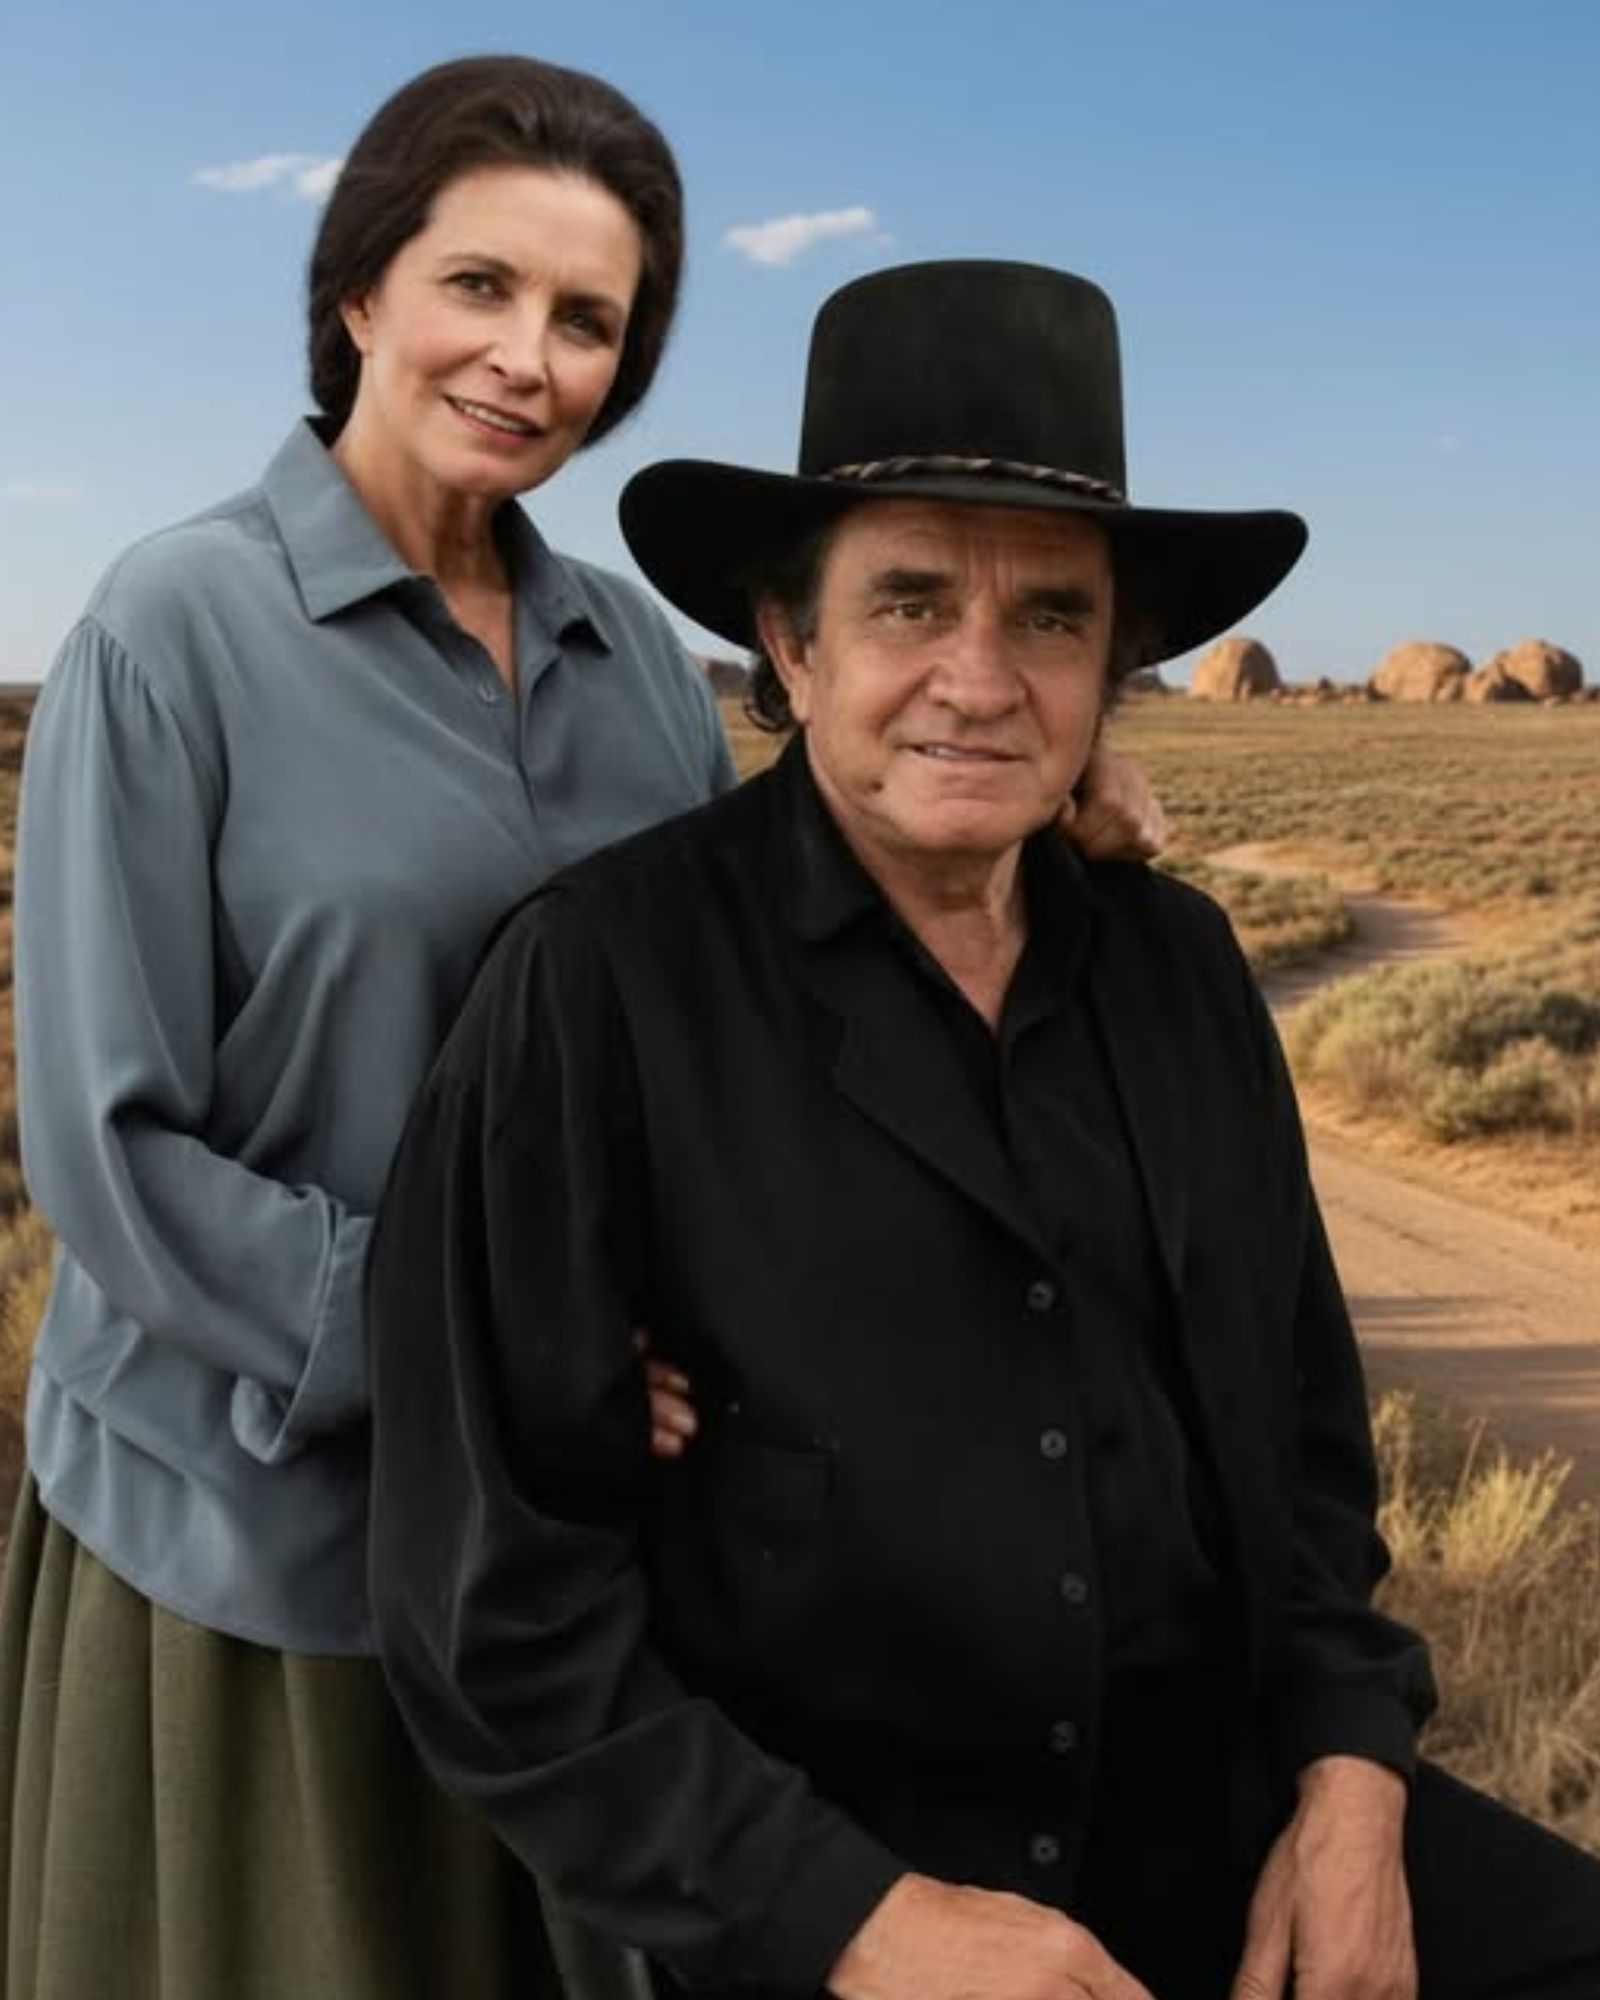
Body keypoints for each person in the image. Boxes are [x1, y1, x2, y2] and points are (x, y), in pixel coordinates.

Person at [0, 61, 1155, 2000]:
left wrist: (1026, 793)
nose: (527, 358)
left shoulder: (631, 663)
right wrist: (501, 1359)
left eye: (588, 320)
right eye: (481, 286)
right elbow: (107, 1153)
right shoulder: (172, 629)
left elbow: (751, 955)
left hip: (589, 1557)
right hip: (266, 1539)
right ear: (358, 290)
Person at [366, 260, 1600, 2000]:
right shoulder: (600, 990)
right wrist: (854, 1921)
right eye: (909, 603)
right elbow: (495, 1611)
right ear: (791, 644)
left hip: (1222, 1818)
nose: (980, 678)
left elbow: (1307, 1449)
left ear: (1111, 668)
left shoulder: (1179, 971)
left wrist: (1350, 1780)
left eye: (1050, 620)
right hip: (828, 1888)